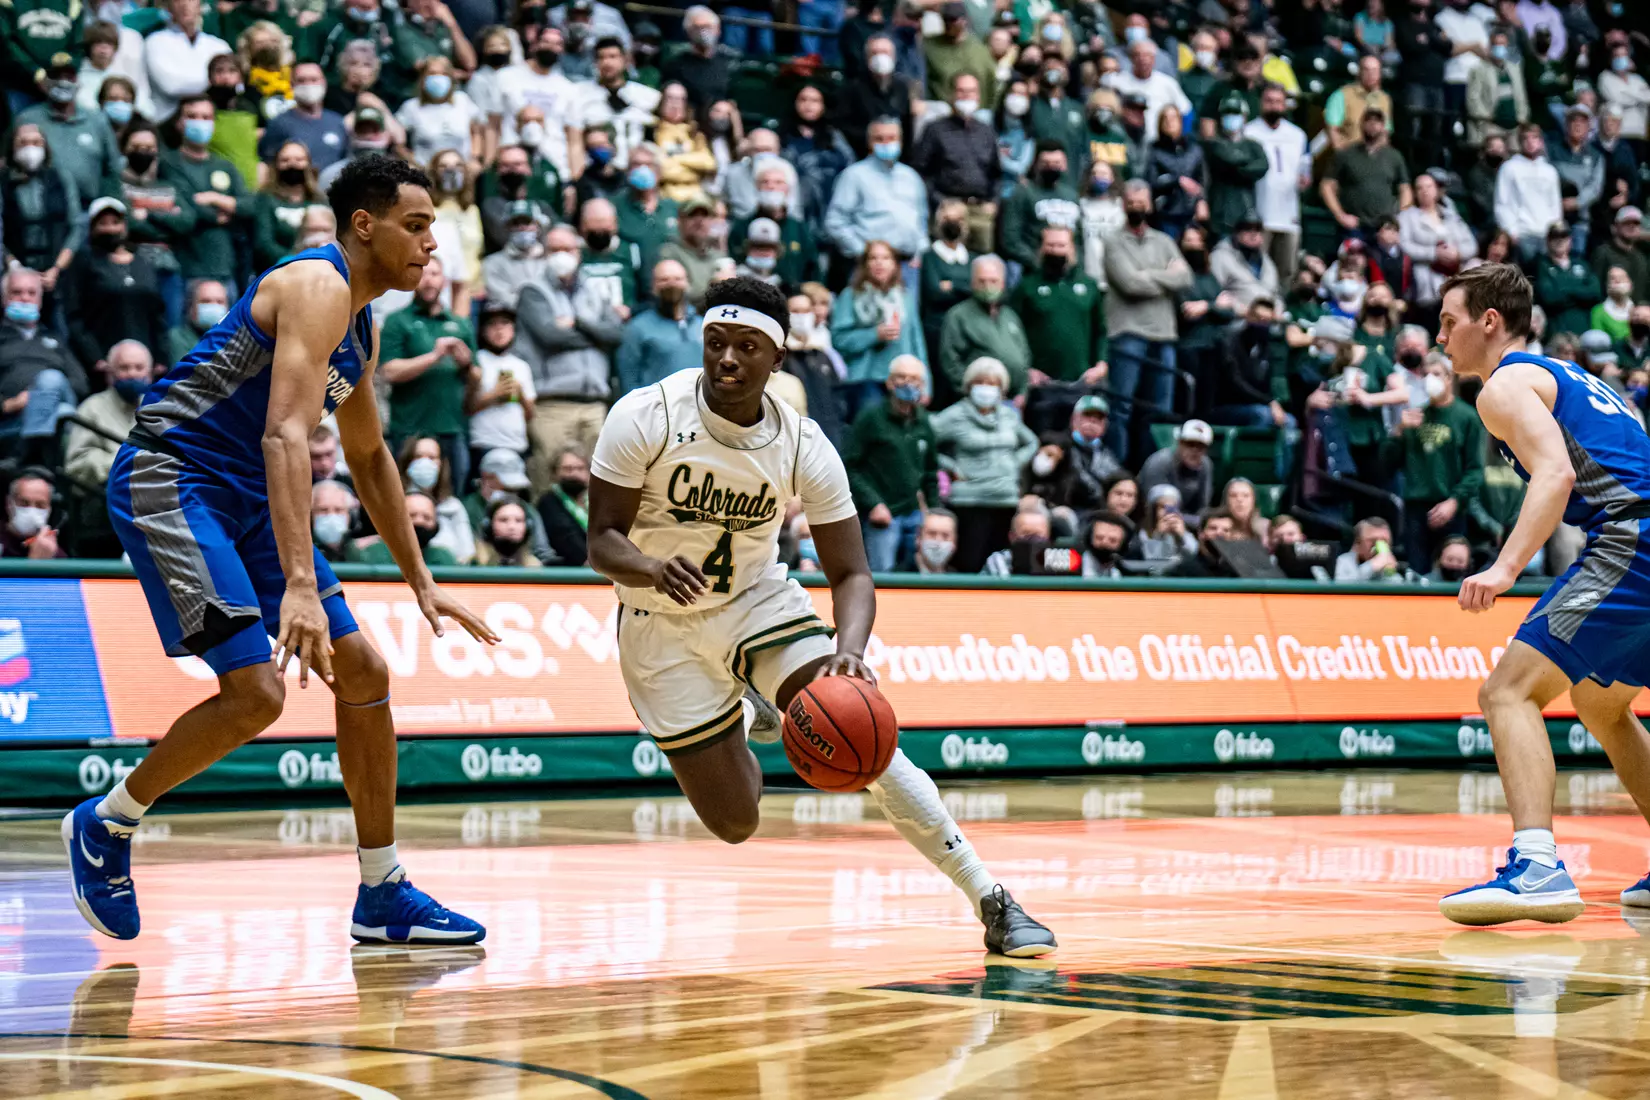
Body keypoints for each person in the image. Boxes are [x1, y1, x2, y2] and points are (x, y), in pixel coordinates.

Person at [69, 156, 494, 944]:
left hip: (252, 496)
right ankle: (108, 820)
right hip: (176, 476)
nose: (432, 245)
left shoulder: (361, 328)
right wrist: (300, 581)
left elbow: (368, 459)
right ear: (364, 225)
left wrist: (422, 581)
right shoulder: (315, 285)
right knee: (257, 694)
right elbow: (286, 432)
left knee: (363, 669)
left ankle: (382, 889)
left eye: (434, 226)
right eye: (417, 224)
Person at [585, 275, 1054, 956]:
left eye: (747, 347)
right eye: (716, 343)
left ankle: (992, 898)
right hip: (659, 622)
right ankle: (749, 711)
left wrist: (849, 650)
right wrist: (651, 568)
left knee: (865, 730)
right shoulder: (646, 415)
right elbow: (600, 540)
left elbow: (851, 572)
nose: (726, 360)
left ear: (779, 360)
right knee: (735, 822)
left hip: (755, 602)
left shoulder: (803, 444)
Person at [1427, 261, 1650, 923]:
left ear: (1489, 322)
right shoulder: (1572, 374)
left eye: (1449, 322)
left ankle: (1538, 868)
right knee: (1601, 705)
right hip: (1640, 535)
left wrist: (1503, 569)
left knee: (1506, 691)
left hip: (1632, 537)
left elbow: (1552, 474)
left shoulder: (1504, 386)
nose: (1441, 339)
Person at [514, 223, 624, 494]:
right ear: (544, 253)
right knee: (549, 481)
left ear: (579, 252)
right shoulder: (532, 291)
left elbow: (616, 333)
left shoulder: (595, 290)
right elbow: (550, 336)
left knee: (599, 484)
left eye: (568, 248)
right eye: (554, 249)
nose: (562, 255)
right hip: (552, 405)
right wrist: (596, 334)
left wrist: (578, 323)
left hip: (594, 404)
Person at [1104, 179, 1192, 462]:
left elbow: (1185, 277)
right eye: (1131, 204)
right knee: (1121, 407)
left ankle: (1152, 471)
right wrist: (1165, 277)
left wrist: (1146, 275)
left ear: (1151, 205)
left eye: (1142, 203)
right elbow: (1129, 283)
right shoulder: (1113, 241)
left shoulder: (1164, 240)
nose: (1137, 208)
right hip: (1128, 332)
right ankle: (1117, 470)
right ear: (1123, 205)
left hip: (1164, 335)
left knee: (1160, 411)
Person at [379, 254, 477, 488]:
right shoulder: (397, 321)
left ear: (444, 280)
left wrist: (467, 365)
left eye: (434, 274)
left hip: (452, 429)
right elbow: (389, 371)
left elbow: (476, 377)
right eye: (422, 274)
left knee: (453, 497)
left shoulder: (461, 324)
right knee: (404, 496)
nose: (429, 280)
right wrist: (434, 357)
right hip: (409, 431)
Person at [933, 357, 1038, 573]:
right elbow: (923, 441)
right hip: (970, 500)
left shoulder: (1009, 415)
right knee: (971, 564)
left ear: (1001, 389)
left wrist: (1013, 463)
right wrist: (949, 466)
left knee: (1002, 566)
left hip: (1005, 499)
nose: (986, 389)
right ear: (969, 386)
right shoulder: (955, 415)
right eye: (980, 382)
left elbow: (1032, 442)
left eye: (992, 384)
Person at [1384, 354, 1486, 569]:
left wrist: (1454, 501)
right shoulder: (1414, 416)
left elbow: (1475, 469)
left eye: (1437, 374)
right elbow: (1387, 462)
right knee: (1417, 572)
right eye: (1426, 374)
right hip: (1416, 507)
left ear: (1450, 378)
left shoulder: (1467, 417)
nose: (1430, 379)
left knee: (1453, 571)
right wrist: (1398, 431)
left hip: (1452, 507)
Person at [843, 355, 939, 573]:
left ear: (923, 385)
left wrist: (933, 512)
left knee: (921, 576)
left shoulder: (924, 421)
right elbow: (850, 467)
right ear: (889, 382)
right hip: (882, 516)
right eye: (901, 377)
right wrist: (874, 504)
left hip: (915, 515)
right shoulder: (870, 418)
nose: (908, 383)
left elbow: (931, 471)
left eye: (915, 379)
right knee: (883, 576)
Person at [61, 198, 168, 373]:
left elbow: (158, 314)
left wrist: (161, 357)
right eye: (103, 223)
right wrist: (95, 358)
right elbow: (74, 315)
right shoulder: (83, 262)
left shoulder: (143, 262)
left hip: (143, 363)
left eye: (115, 222)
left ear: (124, 226)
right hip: (103, 361)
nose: (110, 229)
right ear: (92, 228)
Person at [830, 240, 926, 423]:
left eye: (885, 258)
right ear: (865, 264)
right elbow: (838, 340)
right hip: (864, 380)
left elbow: (917, 342)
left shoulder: (905, 298)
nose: (879, 263)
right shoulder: (850, 296)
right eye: (873, 258)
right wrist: (874, 335)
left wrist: (925, 382)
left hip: (904, 381)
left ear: (895, 264)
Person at [161, 95, 245, 297]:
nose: (200, 122)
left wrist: (214, 199)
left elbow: (249, 205)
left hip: (226, 267)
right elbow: (187, 206)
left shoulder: (224, 165)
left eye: (206, 117)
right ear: (179, 123)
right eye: (192, 116)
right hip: (186, 266)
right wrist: (222, 213)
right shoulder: (168, 163)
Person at [824, 119, 928, 280]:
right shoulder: (854, 176)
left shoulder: (911, 176)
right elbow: (835, 221)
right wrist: (862, 252)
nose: (886, 143)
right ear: (870, 143)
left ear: (900, 141)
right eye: (879, 139)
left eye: (892, 138)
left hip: (908, 266)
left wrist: (920, 251)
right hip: (870, 267)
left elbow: (922, 219)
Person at [0, 268, 85, 463]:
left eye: (31, 293)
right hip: (14, 417)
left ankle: (31, 457)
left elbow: (80, 383)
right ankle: (43, 464)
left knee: (50, 379)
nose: (25, 298)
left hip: (55, 397)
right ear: (4, 299)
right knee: (62, 413)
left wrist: (39, 396)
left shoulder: (55, 340)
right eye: (17, 292)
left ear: (39, 300)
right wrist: (8, 404)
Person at [909, 73, 1000, 254]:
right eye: (961, 91)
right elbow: (919, 172)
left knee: (981, 262)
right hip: (947, 209)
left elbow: (996, 173)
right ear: (952, 95)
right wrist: (940, 201)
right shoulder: (935, 129)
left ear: (979, 96)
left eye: (971, 91)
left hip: (980, 210)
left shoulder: (986, 131)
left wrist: (994, 201)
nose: (966, 96)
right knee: (946, 261)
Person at [16, 53, 121, 207]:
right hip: (44, 211)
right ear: (44, 83)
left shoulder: (97, 120)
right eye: (56, 76)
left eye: (69, 76)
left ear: (78, 81)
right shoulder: (28, 119)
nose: (63, 82)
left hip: (90, 208)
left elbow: (113, 169)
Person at [939, 254, 1031, 404]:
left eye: (993, 281)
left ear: (1002, 284)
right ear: (973, 283)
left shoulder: (1009, 315)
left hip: (1013, 402)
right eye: (982, 281)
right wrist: (973, 392)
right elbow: (950, 361)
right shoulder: (958, 315)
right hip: (979, 400)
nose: (988, 286)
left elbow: (1024, 355)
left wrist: (1023, 392)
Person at [65, 339, 152, 492]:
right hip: (108, 494)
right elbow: (76, 466)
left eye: (139, 368)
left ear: (150, 374)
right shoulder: (92, 408)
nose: (132, 374)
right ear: (110, 374)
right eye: (124, 368)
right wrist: (126, 463)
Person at [1244, 84, 1310, 282]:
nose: (1274, 106)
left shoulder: (1298, 135)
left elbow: (1305, 167)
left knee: (1287, 271)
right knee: (1257, 270)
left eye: (1278, 102)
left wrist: (1305, 180)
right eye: (1269, 101)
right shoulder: (1249, 132)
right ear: (1261, 103)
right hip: (1259, 212)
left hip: (1289, 214)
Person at [465, 304, 536, 475]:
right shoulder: (476, 362)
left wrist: (520, 396)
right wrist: (493, 395)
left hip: (516, 445)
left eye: (505, 323)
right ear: (482, 330)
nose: (499, 330)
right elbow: (466, 408)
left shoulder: (522, 366)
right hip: (483, 443)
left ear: (513, 329)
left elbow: (531, 414)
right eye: (492, 324)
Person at [1321, 107, 1410, 239]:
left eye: (1377, 121)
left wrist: (1399, 218)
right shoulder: (1346, 154)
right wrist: (1340, 215)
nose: (1372, 124)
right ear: (1361, 124)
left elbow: (1405, 189)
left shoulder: (1394, 156)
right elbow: (1327, 186)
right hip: (1353, 226)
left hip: (1383, 228)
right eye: (1368, 120)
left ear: (1383, 126)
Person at [616, 259, 702, 395]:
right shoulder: (637, 328)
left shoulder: (703, 325)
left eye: (678, 279)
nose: (671, 284)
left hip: (700, 407)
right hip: (658, 409)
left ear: (687, 283)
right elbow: (628, 377)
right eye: (664, 280)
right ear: (653, 286)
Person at [143, 0, 231, 120]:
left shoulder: (219, 46)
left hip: (213, 120)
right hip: (166, 121)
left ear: (200, 5)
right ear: (169, 7)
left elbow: (234, 84)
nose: (185, 5)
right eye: (178, 1)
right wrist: (214, 82)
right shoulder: (155, 42)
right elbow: (172, 86)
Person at [257, 62, 349, 173]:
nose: (308, 85)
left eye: (314, 80)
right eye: (301, 80)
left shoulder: (337, 122)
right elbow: (268, 164)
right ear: (292, 85)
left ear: (324, 82)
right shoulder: (279, 123)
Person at [1497, 123, 1564, 264]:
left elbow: (1555, 203)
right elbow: (1502, 202)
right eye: (1525, 138)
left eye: (1534, 138)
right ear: (1520, 142)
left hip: (1546, 235)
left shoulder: (1550, 171)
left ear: (1541, 141)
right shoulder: (1509, 168)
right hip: (1522, 234)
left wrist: (1555, 230)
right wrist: (1511, 231)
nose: (1530, 142)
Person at [252, 142, 322, 272]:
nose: (292, 164)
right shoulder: (265, 199)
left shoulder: (319, 200)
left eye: (299, 159)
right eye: (285, 160)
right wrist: (294, 260)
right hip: (276, 271)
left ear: (308, 164)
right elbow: (263, 243)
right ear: (276, 165)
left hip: (318, 270)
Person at [1549, 104, 1605, 257]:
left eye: (1582, 121)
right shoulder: (1551, 150)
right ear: (1566, 124)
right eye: (1573, 120)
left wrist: (1577, 202)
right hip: (1553, 217)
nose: (1578, 125)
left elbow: (1595, 188)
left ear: (1589, 127)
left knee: (1576, 258)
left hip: (1580, 221)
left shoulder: (1596, 156)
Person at [658, 195, 729, 310]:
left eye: (705, 215)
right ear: (680, 221)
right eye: (693, 215)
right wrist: (714, 288)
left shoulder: (718, 255)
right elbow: (677, 295)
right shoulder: (669, 253)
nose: (699, 220)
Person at [1535, 221, 1601, 338]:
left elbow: (1595, 292)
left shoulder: (1582, 263)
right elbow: (1549, 297)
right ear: (1548, 241)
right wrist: (1579, 290)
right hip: (1557, 331)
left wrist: (1564, 288)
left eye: (1563, 236)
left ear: (1570, 239)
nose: (1559, 240)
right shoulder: (1541, 265)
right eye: (1555, 237)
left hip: (1583, 329)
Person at [1138, 418, 1214, 519]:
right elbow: (1158, 509)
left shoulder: (1205, 464)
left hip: (1185, 520)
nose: (1194, 451)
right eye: (1189, 444)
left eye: (1200, 447)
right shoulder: (1160, 462)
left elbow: (1204, 506)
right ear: (1179, 443)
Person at [1465, 28, 1529, 146]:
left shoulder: (1514, 69)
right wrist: (1487, 118)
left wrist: (1522, 118)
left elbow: (1521, 95)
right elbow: (1473, 99)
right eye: (1496, 44)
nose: (1500, 48)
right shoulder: (1478, 70)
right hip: (1490, 127)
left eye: (1502, 44)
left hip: (1514, 127)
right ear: (1490, 46)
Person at [660, 5, 732, 110]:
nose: (704, 32)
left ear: (718, 30)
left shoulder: (729, 63)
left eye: (708, 27)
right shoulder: (675, 66)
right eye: (698, 28)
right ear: (688, 32)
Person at [1210, 216, 1280, 312]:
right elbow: (1214, 295)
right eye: (1247, 229)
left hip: (1269, 320)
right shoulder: (1220, 256)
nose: (1253, 234)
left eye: (1257, 230)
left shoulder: (1266, 260)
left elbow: (1277, 295)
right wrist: (1241, 309)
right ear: (1236, 233)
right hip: (1237, 321)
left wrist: (1277, 312)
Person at [535, 445, 590, 565]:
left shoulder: (596, 501)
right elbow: (565, 537)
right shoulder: (549, 502)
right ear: (555, 473)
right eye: (568, 469)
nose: (574, 474)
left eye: (580, 468)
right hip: (570, 571)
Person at [1591, 206, 1650, 305]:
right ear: (1614, 227)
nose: (1632, 226)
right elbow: (1595, 290)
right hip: (1610, 315)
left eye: (1636, 223)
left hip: (1637, 316)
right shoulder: (1602, 253)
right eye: (1626, 223)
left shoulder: (1641, 258)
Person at [166, 279, 229, 366]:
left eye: (220, 302)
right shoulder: (177, 337)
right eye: (206, 301)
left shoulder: (237, 338)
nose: (213, 306)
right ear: (191, 307)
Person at [980, 503, 1053, 576]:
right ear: (1012, 537)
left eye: (1037, 534)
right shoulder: (998, 559)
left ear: (1048, 537)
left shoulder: (1055, 561)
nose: (1032, 539)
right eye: (1027, 533)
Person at [474, 497, 542, 567]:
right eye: (503, 520)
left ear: (527, 527)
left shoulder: (534, 566)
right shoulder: (474, 563)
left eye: (518, 520)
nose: (511, 526)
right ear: (488, 525)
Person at [1333, 517, 1404, 582]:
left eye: (1384, 541)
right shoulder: (1343, 562)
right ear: (1357, 544)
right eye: (1373, 541)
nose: (1377, 545)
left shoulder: (1393, 565)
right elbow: (1341, 587)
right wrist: (1371, 566)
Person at [1170, 509, 1236, 577]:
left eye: (1226, 530)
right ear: (1201, 534)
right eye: (1213, 528)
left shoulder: (1235, 570)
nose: (1219, 533)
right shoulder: (1182, 570)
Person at [906, 507, 959, 573]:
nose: (938, 541)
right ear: (918, 538)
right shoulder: (897, 577)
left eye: (945, 536)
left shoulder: (958, 579)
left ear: (954, 543)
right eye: (932, 534)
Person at [1223, 477, 1270, 544]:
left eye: (1246, 495)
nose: (1239, 499)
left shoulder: (1266, 528)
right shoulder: (1217, 528)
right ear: (1226, 501)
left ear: (1254, 500)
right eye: (1233, 496)